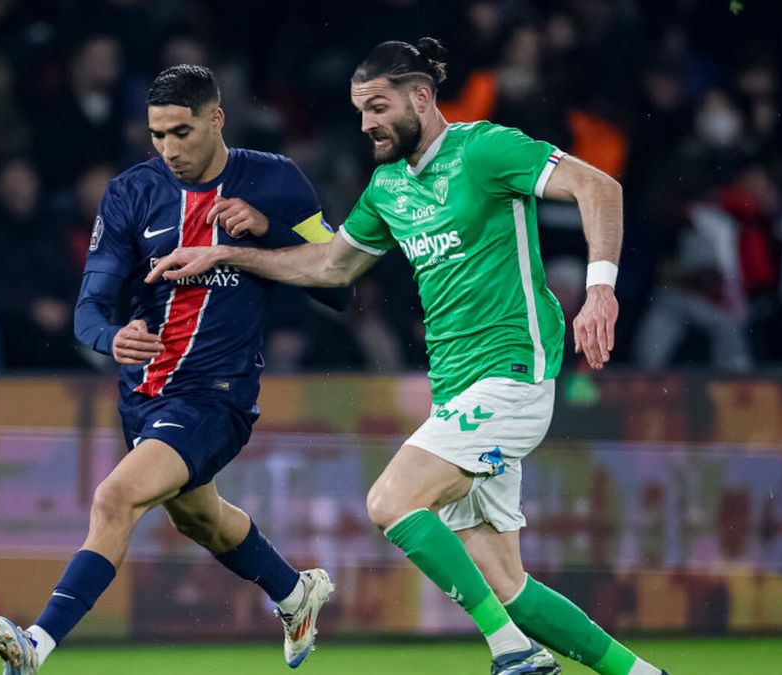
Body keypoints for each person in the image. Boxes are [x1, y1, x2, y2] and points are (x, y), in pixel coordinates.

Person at [148, 39, 669, 675]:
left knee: (391, 503)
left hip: (511, 375)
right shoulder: (388, 187)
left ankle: (509, 652)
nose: (365, 122)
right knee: (508, 587)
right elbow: (332, 265)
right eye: (359, 110)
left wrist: (600, 290)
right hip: (454, 392)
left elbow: (599, 187)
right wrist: (228, 254)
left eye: (376, 106)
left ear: (421, 97)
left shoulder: (485, 149)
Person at [0, 65, 351, 674]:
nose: (169, 149)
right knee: (201, 518)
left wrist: (267, 231)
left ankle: (36, 646)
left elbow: (340, 284)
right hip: (145, 394)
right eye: (157, 134)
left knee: (115, 497)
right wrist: (111, 335)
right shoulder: (132, 192)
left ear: (216, 118)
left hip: (218, 393)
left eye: (181, 132)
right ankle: (295, 594)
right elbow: (90, 309)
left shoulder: (277, 181)